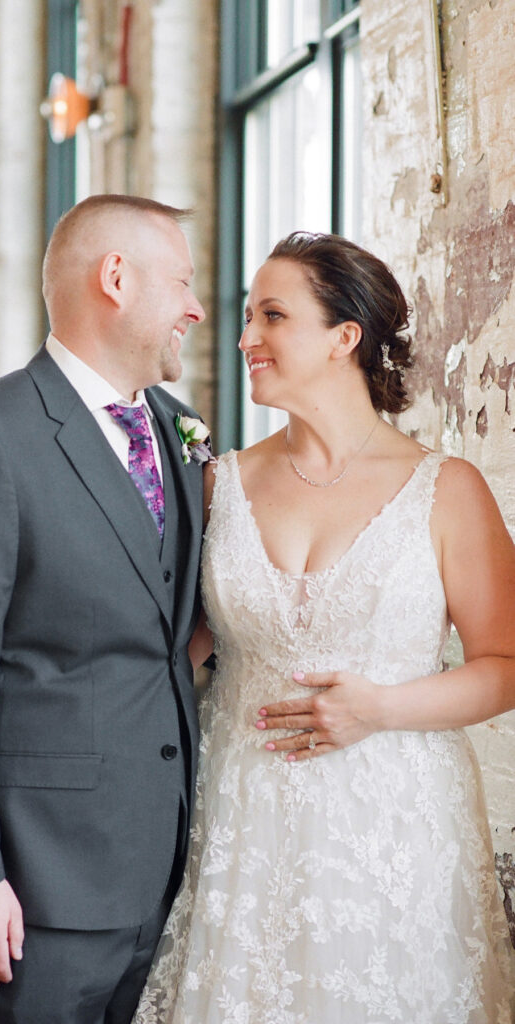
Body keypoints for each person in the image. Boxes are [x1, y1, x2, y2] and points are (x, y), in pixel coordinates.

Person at [134, 231, 515, 1022]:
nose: (245, 338)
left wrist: (380, 708)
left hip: (396, 828)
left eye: (272, 316)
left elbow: (506, 662)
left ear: (346, 337)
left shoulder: (446, 490)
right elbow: (172, 654)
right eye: (247, 316)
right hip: (243, 823)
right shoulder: (218, 485)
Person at [0, 194, 210, 1024]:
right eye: (182, 283)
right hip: (26, 886)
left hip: (158, 871)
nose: (197, 309)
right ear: (116, 278)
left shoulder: (180, 431)